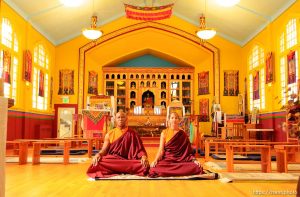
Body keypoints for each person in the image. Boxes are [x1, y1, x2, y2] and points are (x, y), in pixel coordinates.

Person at [86, 111, 149, 178]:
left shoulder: (133, 133)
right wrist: (98, 154)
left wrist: (143, 156)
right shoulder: (110, 134)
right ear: (115, 119)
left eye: (123, 117)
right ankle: (123, 169)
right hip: (114, 159)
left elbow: (140, 149)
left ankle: (115, 169)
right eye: (118, 117)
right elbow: (104, 150)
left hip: (128, 160)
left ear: (126, 119)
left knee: (143, 165)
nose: (120, 119)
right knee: (98, 162)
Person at [148, 112, 203, 177]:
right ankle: (177, 171)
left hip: (181, 160)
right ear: (169, 120)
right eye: (172, 118)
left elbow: (188, 152)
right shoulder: (164, 133)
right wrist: (155, 160)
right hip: (168, 160)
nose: (174, 120)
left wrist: (194, 160)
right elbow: (161, 150)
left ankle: (171, 171)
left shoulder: (183, 134)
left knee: (197, 167)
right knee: (153, 169)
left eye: (176, 118)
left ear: (179, 120)